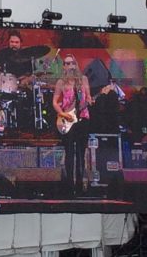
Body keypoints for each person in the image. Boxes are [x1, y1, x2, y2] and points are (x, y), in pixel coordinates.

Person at [52, 53, 92, 195]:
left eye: (72, 63)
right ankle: (69, 187)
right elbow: (55, 102)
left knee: (81, 153)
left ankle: (80, 186)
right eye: (67, 63)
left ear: (76, 64)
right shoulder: (61, 83)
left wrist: (89, 100)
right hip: (67, 119)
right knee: (69, 153)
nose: (70, 66)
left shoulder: (83, 80)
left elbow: (88, 97)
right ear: (64, 66)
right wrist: (62, 114)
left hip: (82, 119)